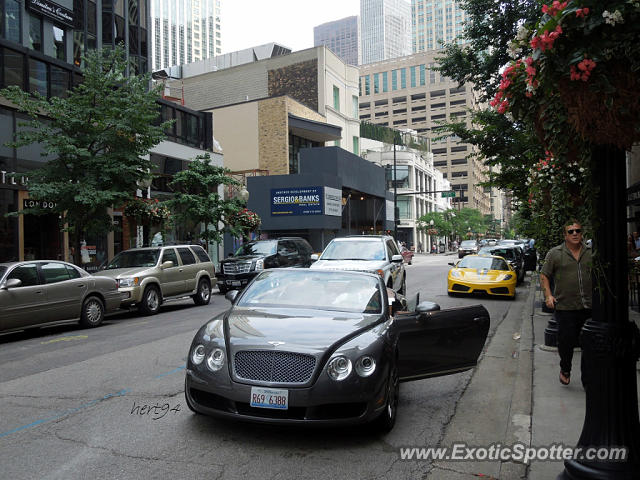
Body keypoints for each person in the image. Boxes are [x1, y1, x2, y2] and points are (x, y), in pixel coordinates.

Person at [540, 220, 592, 387]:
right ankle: (565, 368)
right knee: (566, 343)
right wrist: (548, 295)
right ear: (565, 235)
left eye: (578, 230)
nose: (575, 234)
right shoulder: (555, 253)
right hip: (565, 307)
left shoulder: (591, 252)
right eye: (571, 231)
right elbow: (544, 275)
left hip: (589, 306)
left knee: (589, 344)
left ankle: (587, 379)